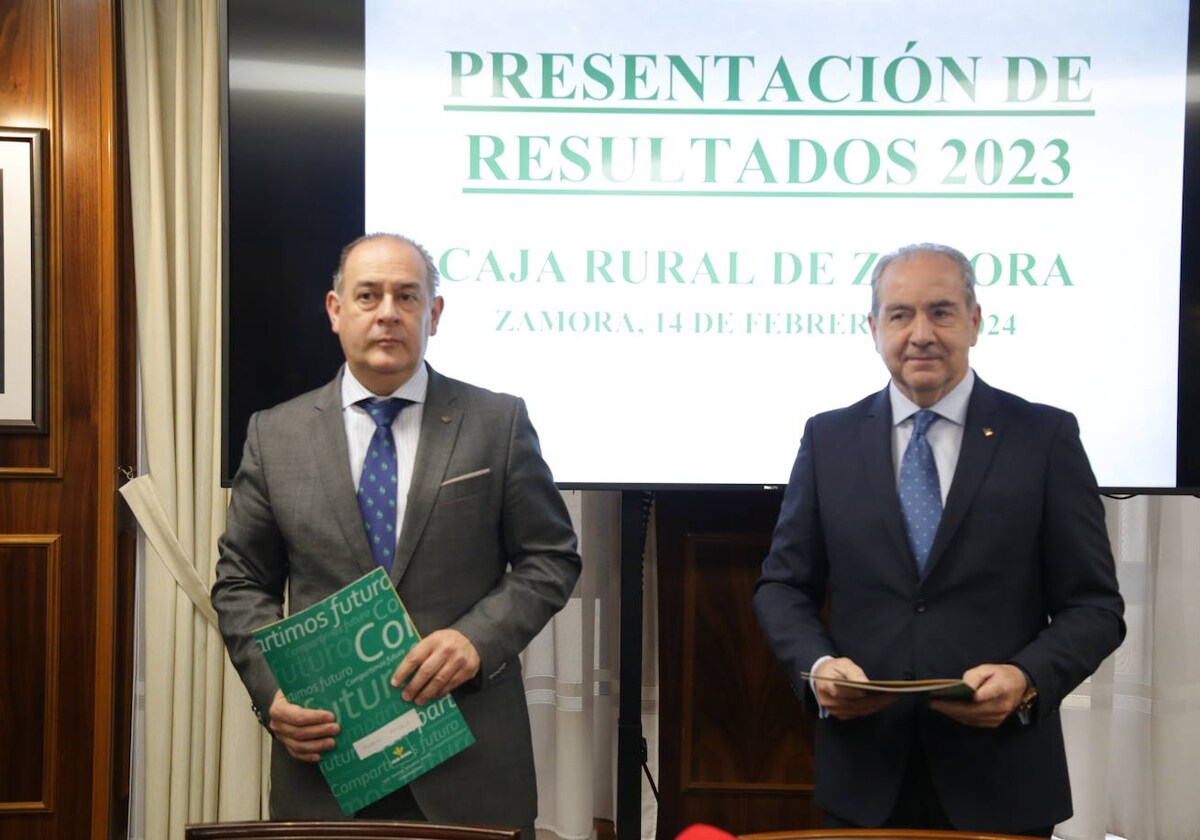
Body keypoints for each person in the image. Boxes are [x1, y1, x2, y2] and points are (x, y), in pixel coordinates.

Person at [212, 232, 581, 838]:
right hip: (328, 764)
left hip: (472, 763)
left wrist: (476, 640)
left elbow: (551, 559)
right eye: (368, 295)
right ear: (336, 311)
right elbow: (240, 582)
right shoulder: (273, 436)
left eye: (407, 296)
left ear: (433, 313)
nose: (388, 312)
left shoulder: (498, 422)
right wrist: (272, 691)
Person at [752, 243, 1125, 837]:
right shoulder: (828, 439)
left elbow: (1096, 607)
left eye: (942, 311)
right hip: (865, 776)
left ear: (976, 321)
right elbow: (783, 587)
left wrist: (1027, 679)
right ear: (873, 329)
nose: (920, 333)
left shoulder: (1044, 436)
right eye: (900, 314)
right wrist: (818, 665)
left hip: (1004, 779)